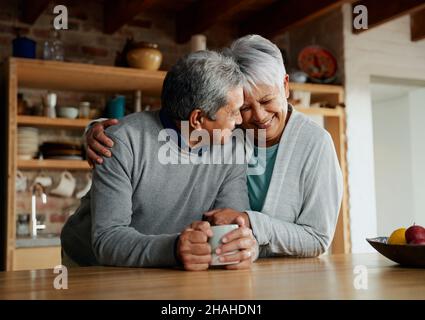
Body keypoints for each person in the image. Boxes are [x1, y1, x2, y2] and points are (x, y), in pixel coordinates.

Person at [86, 35, 343, 258]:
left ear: (285, 86)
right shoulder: (229, 133)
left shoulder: (313, 144)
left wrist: (249, 229)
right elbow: (176, 115)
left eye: (267, 100)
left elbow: (317, 239)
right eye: (241, 108)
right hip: (119, 264)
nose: (253, 116)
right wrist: (100, 130)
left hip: (267, 272)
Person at [60, 50, 258, 270]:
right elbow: (107, 240)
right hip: (91, 264)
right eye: (233, 112)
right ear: (198, 119)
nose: (240, 120)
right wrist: (173, 249)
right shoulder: (122, 142)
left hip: (166, 264)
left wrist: (245, 246)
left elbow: (233, 226)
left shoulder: (231, 151)